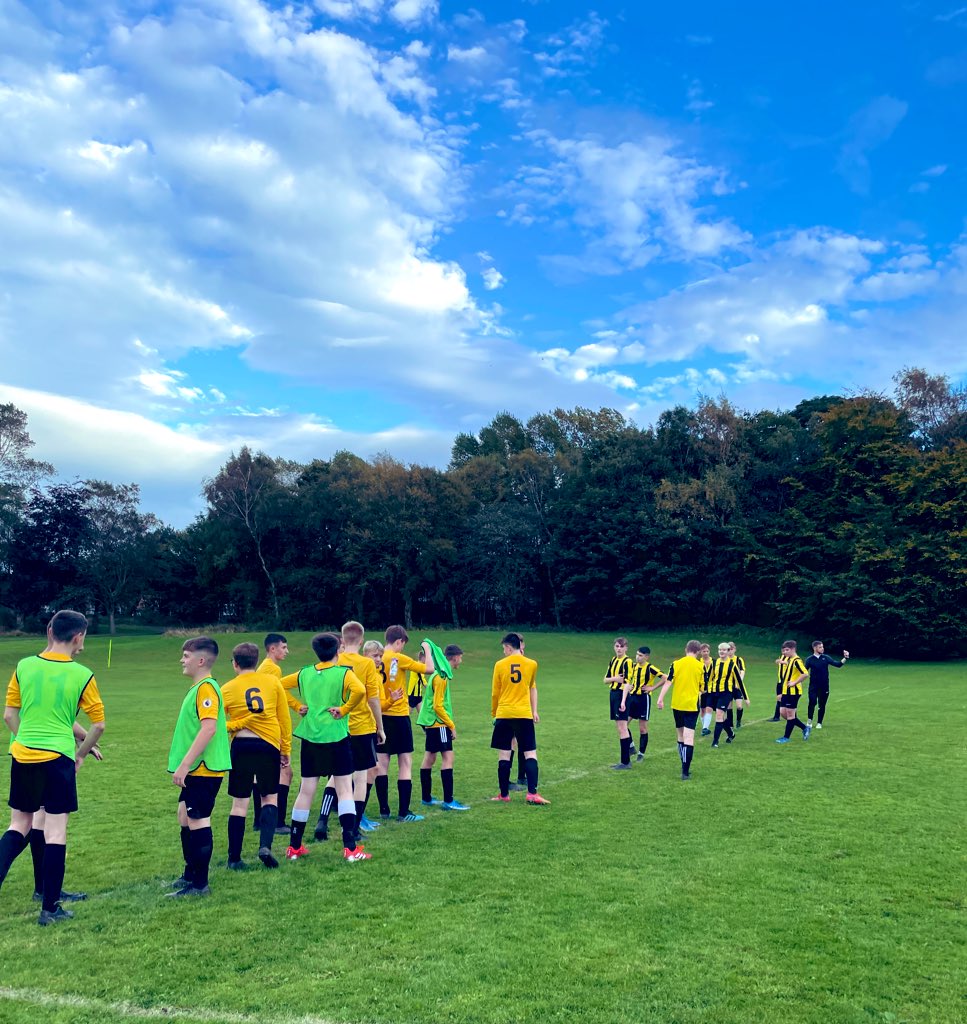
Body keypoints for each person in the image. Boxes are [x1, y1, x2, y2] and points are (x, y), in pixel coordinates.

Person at [0, 610, 105, 925]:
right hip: (57, 760)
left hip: (22, 755)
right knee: (55, 830)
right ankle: (50, 909)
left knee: (19, 826)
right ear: (78, 637)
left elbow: (10, 716)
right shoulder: (81, 674)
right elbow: (99, 724)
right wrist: (81, 754)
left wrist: (29, 739)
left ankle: (43, 891)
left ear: (50, 631)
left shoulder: (24, 666)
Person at [285, 632, 369, 863]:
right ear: (338, 650)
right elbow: (360, 691)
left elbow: (279, 685)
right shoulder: (344, 673)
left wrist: (296, 706)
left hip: (310, 737)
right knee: (344, 790)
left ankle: (294, 847)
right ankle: (350, 848)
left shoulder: (305, 673)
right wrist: (344, 709)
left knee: (306, 790)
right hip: (336, 736)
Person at [168, 636, 232, 898]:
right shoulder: (198, 688)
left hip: (204, 769)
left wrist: (185, 765)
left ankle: (200, 884)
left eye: (186, 655)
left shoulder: (207, 688)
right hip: (196, 769)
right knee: (184, 816)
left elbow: (209, 728)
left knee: (197, 820)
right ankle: (190, 873)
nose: (182, 660)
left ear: (201, 660)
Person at [220, 642, 292, 870]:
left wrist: (240, 723)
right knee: (269, 797)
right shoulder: (272, 681)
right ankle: (265, 846)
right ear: (256, 660)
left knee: (239, 803)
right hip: (268, 744)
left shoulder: (227, 688)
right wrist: (285, 749)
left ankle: (234, 858)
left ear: (235, 664)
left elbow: (219, 725)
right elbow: (284, 718)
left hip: (241, 745)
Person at [314, 622, 386, 844]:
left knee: (336, 777)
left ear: (342, 642)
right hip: (361, 726)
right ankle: (353, 828)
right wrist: (380, 727)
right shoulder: (367, 664)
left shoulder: (334, 661)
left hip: (337, 726)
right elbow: (373, 699)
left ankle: (322, 821)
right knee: (361, 777)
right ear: (362, 640)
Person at [376, 626, 432, 822]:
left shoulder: (376, 658)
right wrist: (429, 649)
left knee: (382, 763)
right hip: (399, 715)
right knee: (405, 762)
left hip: (380, 715)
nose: (402, 648)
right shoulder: (399, 658)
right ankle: (404, 812)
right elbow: (429, 669)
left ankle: (384, 809)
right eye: (402, 644)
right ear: (399, 641)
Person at [489, 633, 549, 805]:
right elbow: (531, 687)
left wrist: (495, 713)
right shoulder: (532, 664)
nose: (503, 652)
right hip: (524, 714)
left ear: (509, 647)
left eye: (504, 649)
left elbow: (495, 693)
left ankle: (504, 794)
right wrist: (533, 710)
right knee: (530, 753)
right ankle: (532, 793)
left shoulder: (499, 665)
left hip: (504, 714)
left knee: (504, 754)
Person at [418, 642, 469, 811]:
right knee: (448, 758)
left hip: (431, 723)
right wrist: (451, 725)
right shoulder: (441, 676)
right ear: (454, 658)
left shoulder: (439, 674)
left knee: (429, 758)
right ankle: (449, 801)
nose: (461, 661)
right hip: (438, 724)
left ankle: (426, 798)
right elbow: (438, 706)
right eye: (460, 658)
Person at [253, 632, 295, 834]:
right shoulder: (272, 669)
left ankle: (258, 820)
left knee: (260, 774)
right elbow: (277, 698)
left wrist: (296, 705)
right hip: (271, 727)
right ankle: (277, 822)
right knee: (284, 772)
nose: (287, 651)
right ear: (272, 649)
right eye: (284, 647)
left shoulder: (264, 668)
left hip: (259, 727)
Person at [656, 640, 704, 780]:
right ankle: (685, 771)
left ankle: (683, 765)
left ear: (686, 649)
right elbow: (703, 688)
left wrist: (660, 698)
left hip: (677, 704)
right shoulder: (701, 666)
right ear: (699, 651)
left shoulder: (676, 664)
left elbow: (668, 682)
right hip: (691, 705)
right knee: (689, 737)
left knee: (680, 735)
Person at [620, 646, 666, 762]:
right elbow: (628, 679)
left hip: (644, 699)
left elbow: (665, 678)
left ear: (646, 657)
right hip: (632, 698)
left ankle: (641, 753)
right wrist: (629, 686)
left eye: (640, 655)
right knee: (623, 724)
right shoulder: (634, 667)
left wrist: (652, 687)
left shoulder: (650, 668)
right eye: (637, 654)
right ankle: (631, 748)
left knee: (642, 728)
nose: (637, 657)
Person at [605, 637, 634, 770]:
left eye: (621, 646)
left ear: (626, 648)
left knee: (622, 727)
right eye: (617, 646)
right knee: (620, 727)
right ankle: (625, 760)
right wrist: (615, 678)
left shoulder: (627, 661)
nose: (619, 648)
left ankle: (626, 762)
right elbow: (605, 680)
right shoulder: (613, 660)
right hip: (613, 694)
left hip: (622, 695)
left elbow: (627, 683)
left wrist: (623, 701)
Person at [805, 641, 849, 729]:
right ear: (815, 648)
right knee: (812, 702)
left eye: (822, 647)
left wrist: (845, 658)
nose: (822, 648)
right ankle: (809, 720)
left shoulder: (826, 658)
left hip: (824, 686)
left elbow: (838, 665)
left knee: (822, 704)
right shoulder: (809, 659)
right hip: (813, 686)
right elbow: (803, 671)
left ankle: (819, 723)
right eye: (820, 647)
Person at [774, 641, 810, 744]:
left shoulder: (797, 660)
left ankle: (786, 737)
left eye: (787, 650)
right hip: (786, 691)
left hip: (794, 692)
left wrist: (794, 682)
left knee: (790, 715)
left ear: (793, 649)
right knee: (783, 713)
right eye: (784, 650)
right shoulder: (790, 660)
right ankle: (804, 727)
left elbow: (805, 674)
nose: (785, 652)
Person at [729, 642, 749, 727]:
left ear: (734, 649)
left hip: (737, 687)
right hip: (728, 687)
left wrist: (739, 681)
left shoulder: (738, 659)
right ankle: (730, 725)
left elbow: (742, 671)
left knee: (739, 706)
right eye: (728, 649)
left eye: (731, 649)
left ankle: (738, 721)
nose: (730, 651)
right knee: (729, 707)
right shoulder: (724, 660)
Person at [699, 643, 715, 736]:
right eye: (703, 651)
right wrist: (700, 689)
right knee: (703, 709)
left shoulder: (714, 662)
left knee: (709, 708)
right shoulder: (698, 662)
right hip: (701, 689)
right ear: (700, 652)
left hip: (711, 689)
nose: (705, 653)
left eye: (707, 651)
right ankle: (704, 727)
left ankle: (705, 728)